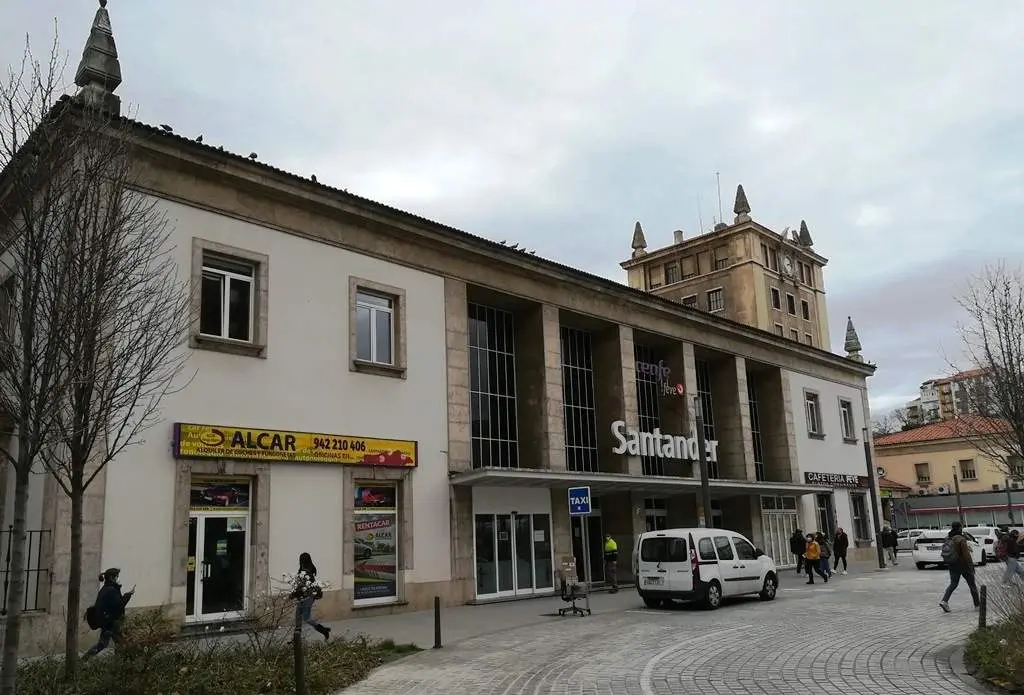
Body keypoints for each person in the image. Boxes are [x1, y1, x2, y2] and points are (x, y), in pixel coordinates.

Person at [82, 568, 134, 660]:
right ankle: (120, 663)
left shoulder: (107, 589)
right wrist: (127, 595)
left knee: (106, 643)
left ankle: (85, 659)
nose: (118, 578)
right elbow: (119, 605)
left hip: (108, 622)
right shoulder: (111, 590)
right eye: (117, 576)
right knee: (117, 643)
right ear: (111, 577)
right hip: (112, 622)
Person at [939, 521, 980, 613]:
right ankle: (977, 605)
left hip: (952, 564)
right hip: (963, 564)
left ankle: (944, 601)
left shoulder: (948, 538)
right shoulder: (961, 539)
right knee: (972, 585)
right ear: (959, 528)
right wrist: (971, 565)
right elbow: (966, 554)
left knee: (953, 584)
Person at [292, 552, 331, 642]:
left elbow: (305, 587)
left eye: (301, 560)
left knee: (306, 618)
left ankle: (324, 631)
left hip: (308, 598)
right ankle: (296, 639)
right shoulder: (304, 570)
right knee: (298, 617)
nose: (299, 561)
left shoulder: (308, 572)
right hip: (303, 597)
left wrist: (295, 593)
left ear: (303, 560)